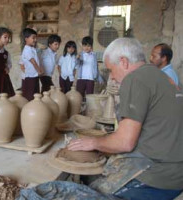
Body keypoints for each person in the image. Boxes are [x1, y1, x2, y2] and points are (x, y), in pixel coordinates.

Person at [68, 38, 183, 200]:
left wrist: (93, 142)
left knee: (92, 192)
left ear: (124, 62)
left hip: (158, 177)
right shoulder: (163, 77)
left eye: (111, 70)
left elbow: (125, 142)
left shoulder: (135, 78)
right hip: (177, 173)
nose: (112, 77)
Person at [21, 28, 43, 100]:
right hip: (30, 77)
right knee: (30, 96)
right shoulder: (27, 50)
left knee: (36, 95)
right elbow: (33, 62)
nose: (35, 40)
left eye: (36, 38)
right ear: (26, 39)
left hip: (34, 75)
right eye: (33, 38)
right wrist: (39, 70)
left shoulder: (32, 49)